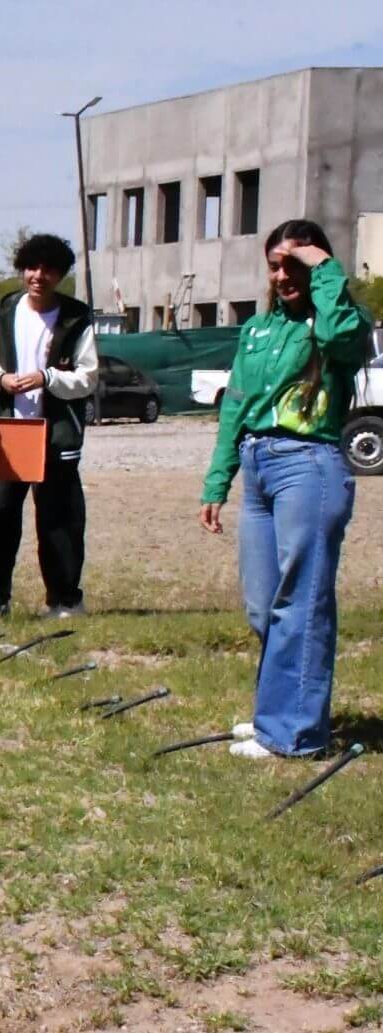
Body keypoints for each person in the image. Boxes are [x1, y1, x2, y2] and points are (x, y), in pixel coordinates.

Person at [200, 219, 371, 760]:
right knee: (263, 605)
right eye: (275, 266)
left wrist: (327, 272)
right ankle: (275, 713)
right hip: (258, 466)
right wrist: (218, 479)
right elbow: (236, 404)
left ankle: (293, 734)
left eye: (295, 265)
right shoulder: (257, 329)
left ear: (318, 265)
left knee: (302, 600)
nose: (282, 276)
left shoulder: (339, 321)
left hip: (309, 466)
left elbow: (340, 338)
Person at [0, 234, 98, 619]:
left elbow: (88, 377)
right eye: (31, 268)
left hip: (56, 435)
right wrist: (1, 379)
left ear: (60, 275)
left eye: (48, 270)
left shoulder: (77, 317)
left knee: (59, 520)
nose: (38, 276)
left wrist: (47, 378)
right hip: (10, 434)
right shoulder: (4, 310)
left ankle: (64, 601)